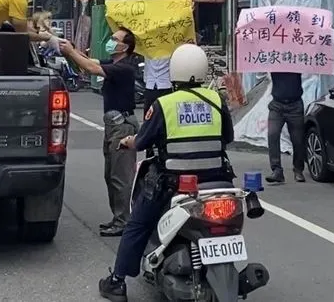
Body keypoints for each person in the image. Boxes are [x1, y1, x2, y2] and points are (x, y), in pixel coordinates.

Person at [98, 44, 235, 302]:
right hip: (217, 181)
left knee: (137, 224)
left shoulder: (164, 104)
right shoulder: (217, 100)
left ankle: (117, 282)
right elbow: (228, 137)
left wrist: (129, 141)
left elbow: (142, 141)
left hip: (173, 184)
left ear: (174, 72)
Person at [60, 28, 139, 237]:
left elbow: (90, 66)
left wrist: (70, 52)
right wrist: (72, 50)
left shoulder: (124, 68)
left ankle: (124, 221)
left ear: (125, 47)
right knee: (110, 175)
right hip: (114, 126)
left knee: (120, 177)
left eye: (115, 39)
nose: (111, 41)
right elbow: (88, 62)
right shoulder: (113, 64)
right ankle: (118, 218)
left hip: (122, 127)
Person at [265, 72, 306, 183]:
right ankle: (277, 170)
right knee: (272, 134)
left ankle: (298, 169)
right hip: (276, 105)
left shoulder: (296, 60)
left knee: (298, 139)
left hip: (295, 105)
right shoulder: (276, 60)